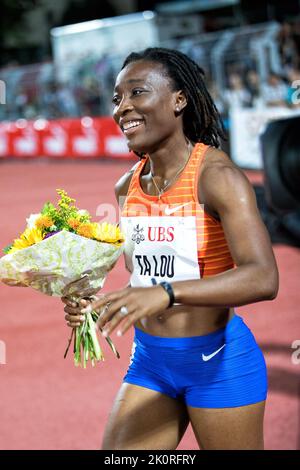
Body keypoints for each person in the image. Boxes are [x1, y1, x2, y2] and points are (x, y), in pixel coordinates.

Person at [62, 47, 279, 450]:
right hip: (150, 362)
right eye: (117, 99)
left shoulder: (217, 177)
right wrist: (92, 305)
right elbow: (143, 275)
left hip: (217, 361)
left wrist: (166, 294)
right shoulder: (126, 187)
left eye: (137, 93)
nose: (123, 108)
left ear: (179, 100)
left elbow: (263, 278)